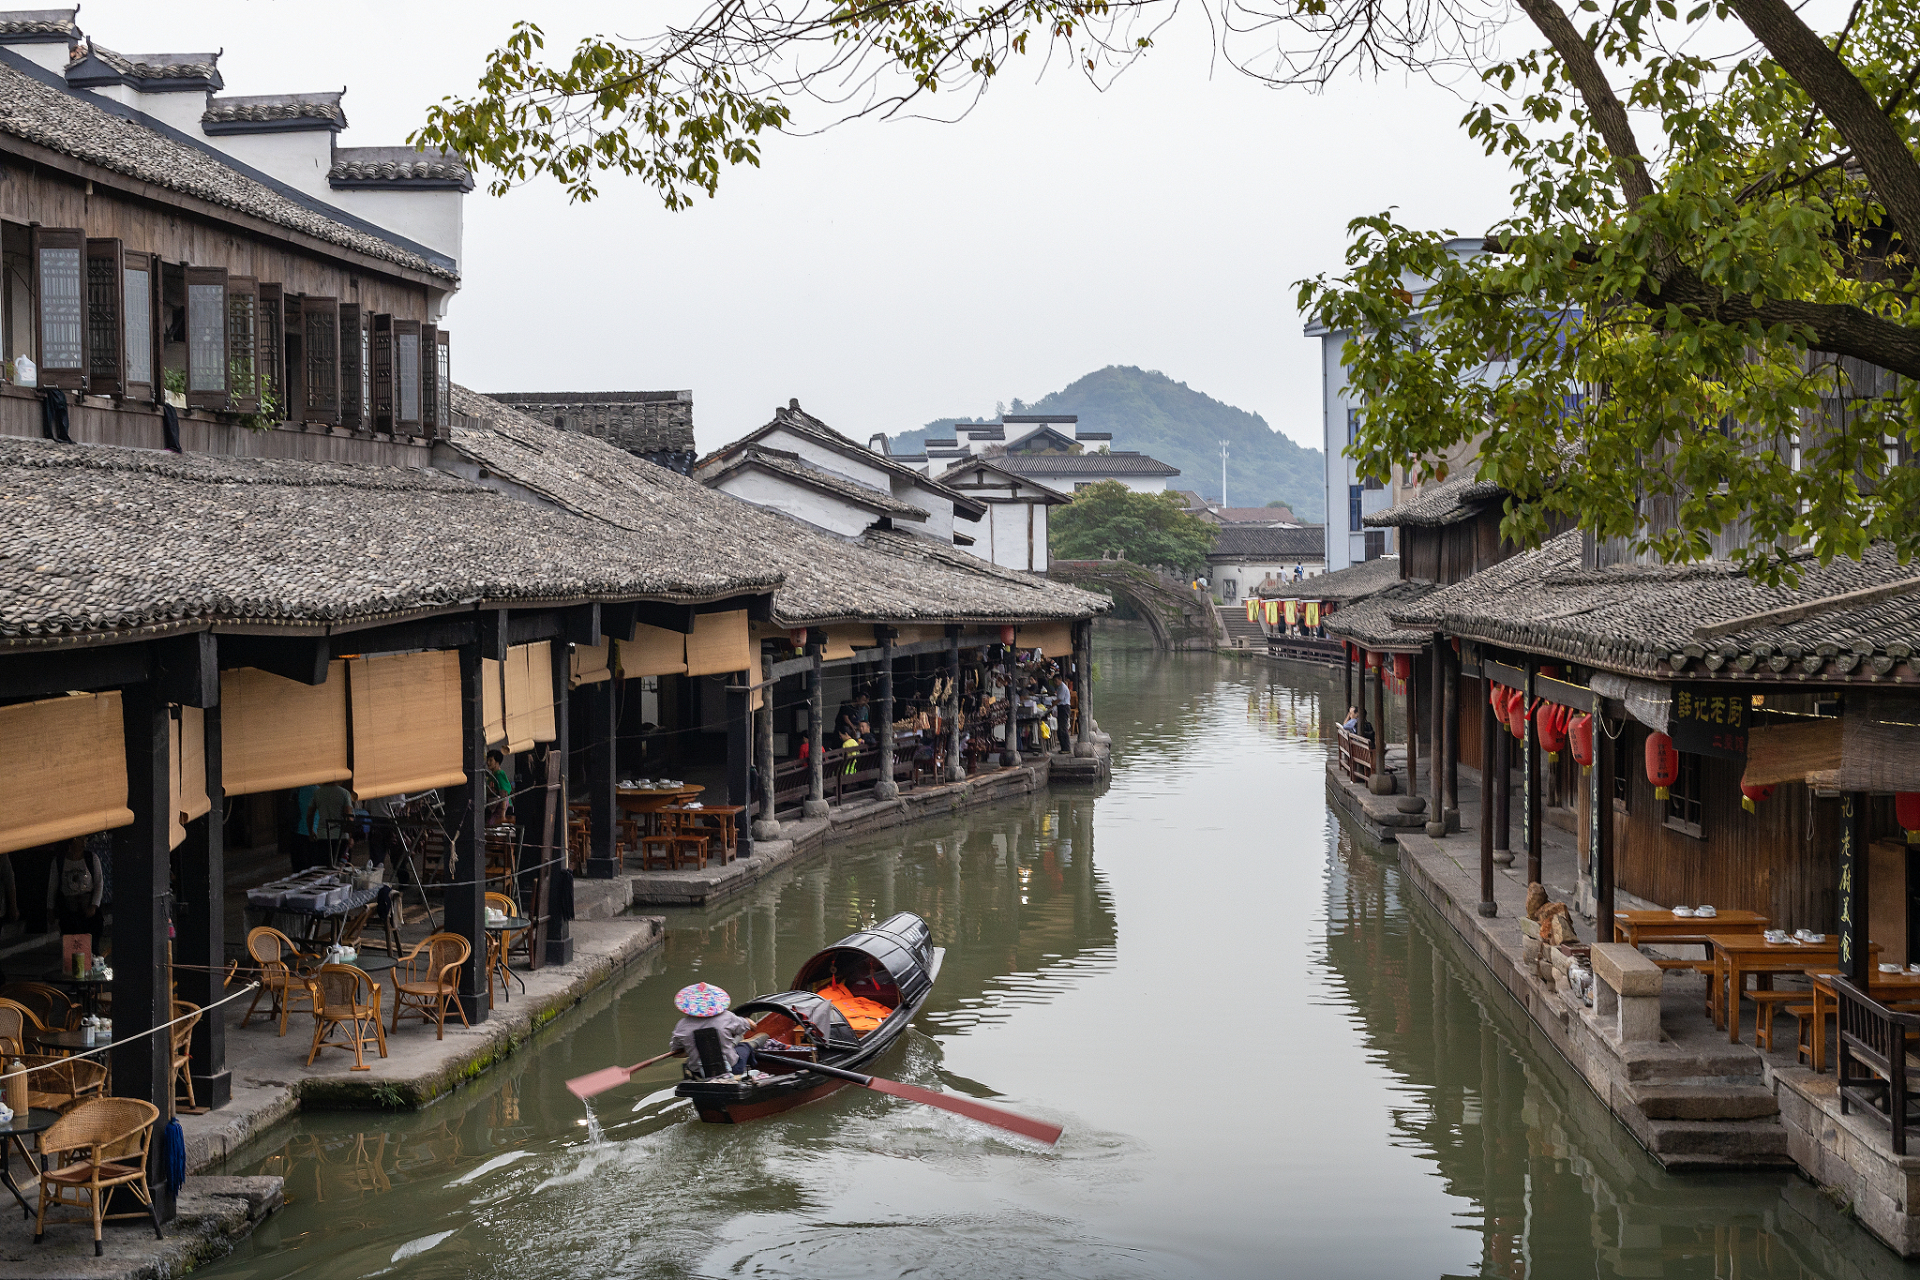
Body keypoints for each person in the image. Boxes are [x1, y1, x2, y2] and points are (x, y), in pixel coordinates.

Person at [668, 982, 759, 1078]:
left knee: (691, 1063)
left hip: (698, 1072)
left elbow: (676, 1053)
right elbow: (751, 1027)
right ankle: (750, 1074)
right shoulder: (727, 1017)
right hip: (731, 1068)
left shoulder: (681, 1026)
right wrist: (748, 1021)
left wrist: (693, 1048)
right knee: (745, 1046)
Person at [47, 836, 103, 955]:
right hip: (69, 910)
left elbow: (99, 883)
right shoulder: (59, 861)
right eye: (80, 840)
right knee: (73, 946)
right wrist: (50, 909)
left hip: (87, 908)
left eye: (85, 840)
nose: (84, 843)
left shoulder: (91, 858)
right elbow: (53, 886)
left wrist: (94, 906)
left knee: (92, 946)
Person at [486, 749, 512, 824]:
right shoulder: (492, 775)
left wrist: (502, 816)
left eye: (491, 760)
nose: (488, 763)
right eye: (487, 760)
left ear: (497, 762)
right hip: (495, 809)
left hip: (503, 810)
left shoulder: (499, 774)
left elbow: (504, 794)